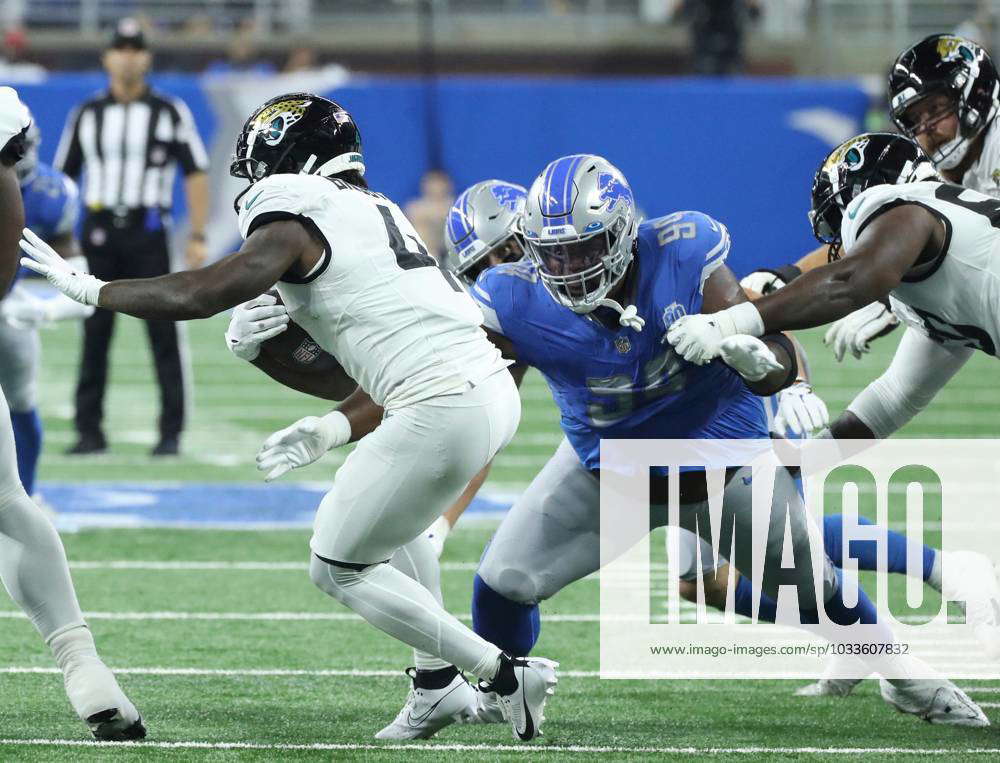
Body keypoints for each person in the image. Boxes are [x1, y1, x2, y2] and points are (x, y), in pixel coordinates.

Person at [22, 92, 559, 742]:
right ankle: (436, 687)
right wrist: (258, 355)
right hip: (483, 393)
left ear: (287, 159)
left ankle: (501, 673)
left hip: (443, 401)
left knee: (335, 565)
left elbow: (204, 291)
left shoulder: (299, 210)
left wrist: (96, 289)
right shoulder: (373, 209)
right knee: (405, 535)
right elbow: (345, 372)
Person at [464, 153, 985, 728]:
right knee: (503, 581)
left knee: (812, 585)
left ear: (620, 233)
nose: (569, 266)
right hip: (603, 464)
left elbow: (774, 358)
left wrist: (762, 365)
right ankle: (503, 689)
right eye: (554, 251)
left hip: (718, 462)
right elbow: (482, 401)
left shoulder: (683, 252)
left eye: (585, 248)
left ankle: (903, 673)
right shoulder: (511, 295)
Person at [0, 86, 145, 741]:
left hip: (17, 315)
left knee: (13, 498)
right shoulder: (9, 181)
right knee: (10, 508)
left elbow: (71, 281)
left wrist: (41, 308)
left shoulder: (43, 190)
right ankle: (84, 669)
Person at [745, 34, 1000, 361]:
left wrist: (891, 301)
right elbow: (877, 240)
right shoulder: (944, 168)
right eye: (915, 120)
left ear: (976, 93)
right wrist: (788, 275)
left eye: (936, 109)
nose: (927, 129)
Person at [53, 17, 209, 456]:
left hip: (148, 231)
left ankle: (171, 432)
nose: (127, 56)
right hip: (99, 231)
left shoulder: (170, 111)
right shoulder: (86, 114)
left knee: (163, 331)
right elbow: (64, 180)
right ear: (107, 57)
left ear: (147, 57)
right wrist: (63, 240)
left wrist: (196, 232)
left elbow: (196, 171)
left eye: (135, 48)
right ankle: (88, 431)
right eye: (120, 48)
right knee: (94, 331)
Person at [0, 115, 93, 499]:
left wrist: (43, 311)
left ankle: (27, 496)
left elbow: (82, 286)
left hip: (6, 305)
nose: (21, 156)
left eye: (24, 145)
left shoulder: (52, 194)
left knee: (20, 399)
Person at [404, 169, 454, 261]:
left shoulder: (456, 207)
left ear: (448, 185)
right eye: (433, 183)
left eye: (439, 183)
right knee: (421, 223)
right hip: (428, 254)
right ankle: (429, 260)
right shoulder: (415, 208)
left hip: (453, 253)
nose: (436, 187)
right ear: (425, 186)